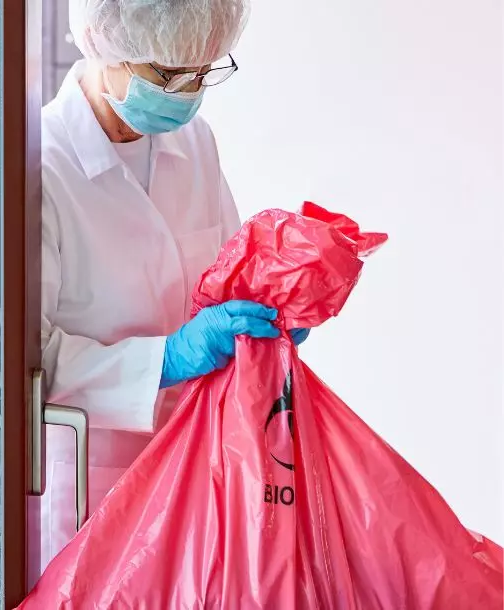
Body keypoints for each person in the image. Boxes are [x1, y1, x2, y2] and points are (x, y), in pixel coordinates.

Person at [39, 0, 308, 566]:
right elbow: (23, 365)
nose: (185, 92)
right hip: (90, 482)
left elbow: (224, 273)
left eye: (201, 72)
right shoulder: (39, 166)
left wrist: (268, 307)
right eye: (166, 75)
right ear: (98, 40)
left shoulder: (195, 142)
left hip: (197, 462)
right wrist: (166, 360)